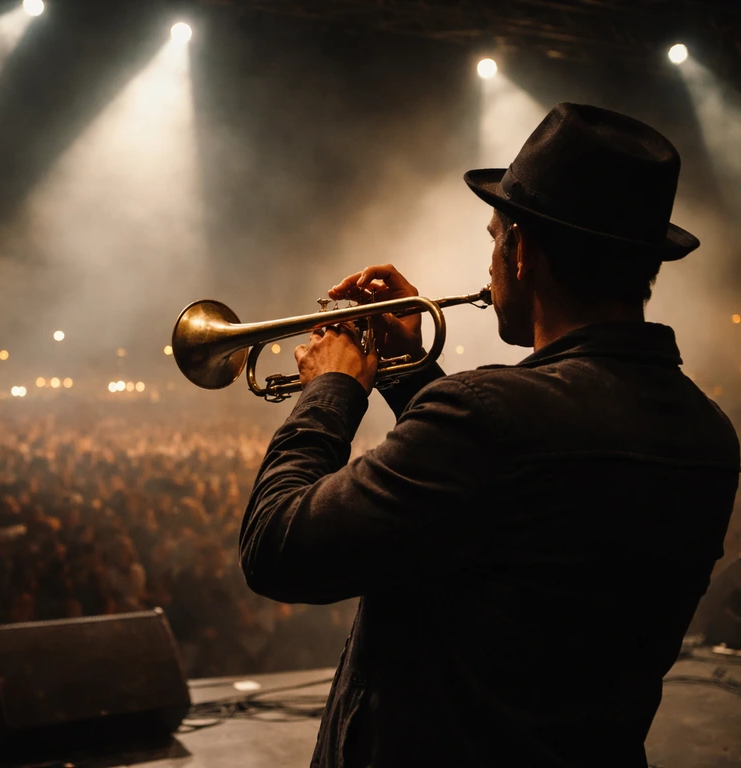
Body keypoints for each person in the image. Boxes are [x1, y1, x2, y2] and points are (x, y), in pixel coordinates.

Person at [238, 103, 740, 767]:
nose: (492, 261)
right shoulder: (707, 434)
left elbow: (277, 547)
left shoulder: (489, 417)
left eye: (494, 234)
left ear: (522, 249)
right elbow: (507, 519)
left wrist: (329, 390)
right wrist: (411, 370)